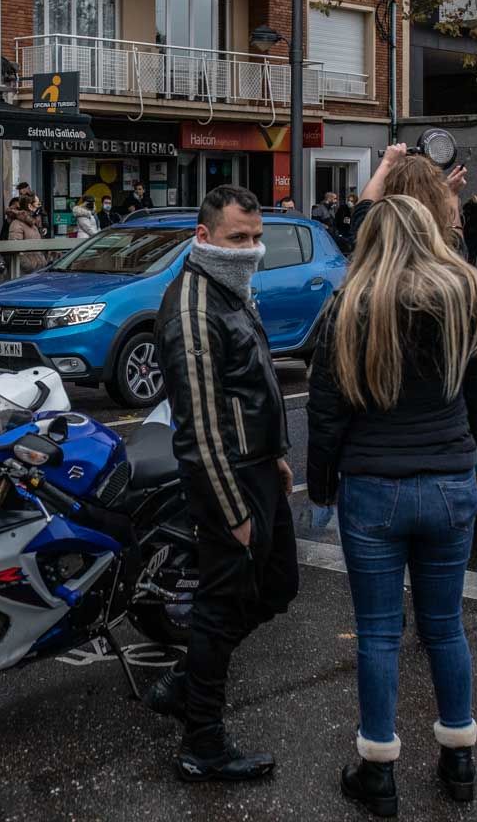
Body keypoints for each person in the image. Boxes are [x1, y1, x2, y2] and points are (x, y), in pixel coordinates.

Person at [307, 194, 477, 815]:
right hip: (449, 480)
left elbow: (327, 409)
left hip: (374, 484)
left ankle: (379, 768)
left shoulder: (352, 306)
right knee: (445, 626)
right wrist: (460, 448)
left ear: (370, 241)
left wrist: (321, 483)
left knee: (380, 635)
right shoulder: (469, 296)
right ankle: (459, 758)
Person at [147, 185, 297, 783]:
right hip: (227, 480)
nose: (252, 249)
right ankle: (202, 740)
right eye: (239, 238)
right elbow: (199, 427)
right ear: (205, 237)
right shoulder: (191, 305)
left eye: (258, 238)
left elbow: (250, 386)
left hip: (257, 468)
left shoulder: (227, 288)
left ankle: (187, 683)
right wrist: (232, 507)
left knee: (278, 585)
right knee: (219, 606)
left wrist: (276, 455)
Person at [355, 146, 464, 252]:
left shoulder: (373, 242)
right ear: (436, 196)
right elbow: (457, 241)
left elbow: (363, 211)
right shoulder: (448, 255)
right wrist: (452, 195)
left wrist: (387, 163)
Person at [6, 196, 47, 273]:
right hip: (25, 273)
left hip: (37, 271)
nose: (39, 207)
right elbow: (15, 250)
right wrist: (32, 265)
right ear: (30, 206)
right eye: (38, 204)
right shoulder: (17, 224)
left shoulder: (33, 224)